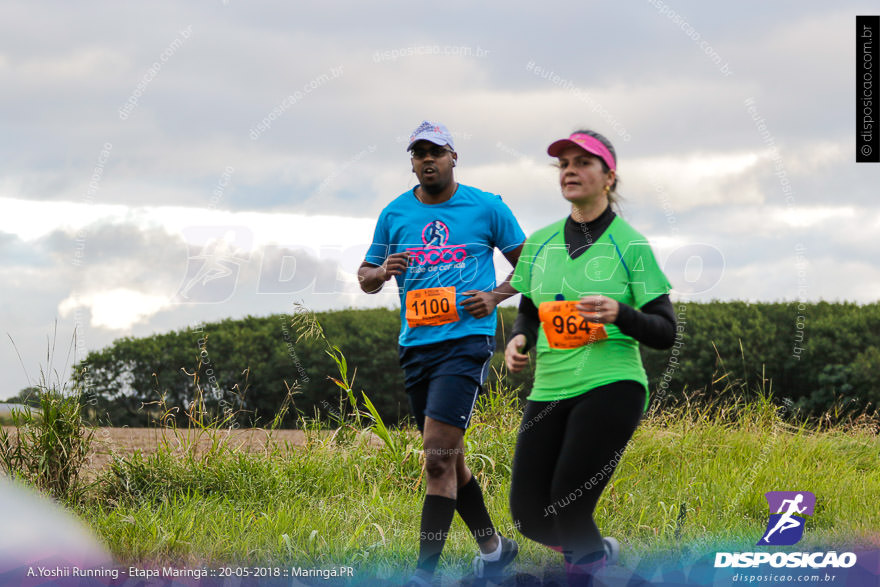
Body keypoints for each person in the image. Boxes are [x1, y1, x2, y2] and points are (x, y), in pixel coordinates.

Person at [505, 130, 676, 586]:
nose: (570, 170)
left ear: (609, 177)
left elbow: (665, 331)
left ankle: (587, 573)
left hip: (612, 384)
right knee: (528, 516)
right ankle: (600, 560)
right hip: (549, 389)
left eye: (583, 162)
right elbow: (529, 308)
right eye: (563, 164)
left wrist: (621, 313)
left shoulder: (630, 244)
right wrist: (519, 339)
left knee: (569, 504)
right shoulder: (539, 242)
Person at [358, 121, 525, 586]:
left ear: (454, 157)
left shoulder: (487, 207)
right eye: (419, 153)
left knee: (435, 459)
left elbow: (532, 263)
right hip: (416, 347)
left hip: (466, 343)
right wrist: (381, 272)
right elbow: (365, 276)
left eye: (437, 152)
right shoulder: (394, 214)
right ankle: (494, 551)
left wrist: (495, 296)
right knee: (451, 458)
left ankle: (422, 576)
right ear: (411, 161)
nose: (427, 160)